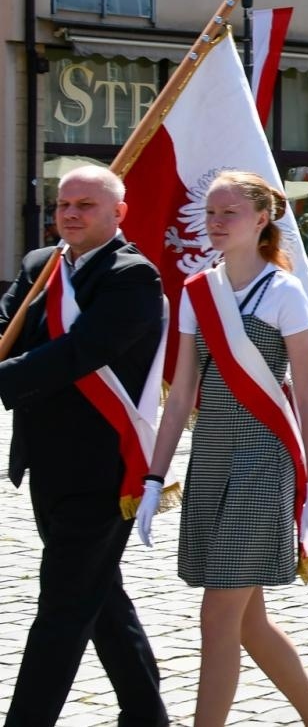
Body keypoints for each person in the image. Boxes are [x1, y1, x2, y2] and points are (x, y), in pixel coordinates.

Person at [138, 171, 308, 727]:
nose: (216, 223)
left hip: (263, 459)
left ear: (261, 220)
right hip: (211, 461)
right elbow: (179, 399)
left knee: (218, 615)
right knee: (248, 621)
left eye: (229, 213)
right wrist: (155, 479)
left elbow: (306, 398)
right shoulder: (196, 291)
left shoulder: (284, 292)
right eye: (210, 213)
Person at [0, 166, 169, 727]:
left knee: (64, 608)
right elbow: (7, 324)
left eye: (85, 205)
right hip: (47, 462)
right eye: (62, 203)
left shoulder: (133, 277)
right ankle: (146, 714)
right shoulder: (39, 265)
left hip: (104, 469)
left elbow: (79, 352)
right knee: (99, 594)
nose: (69, 213)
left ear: (118, 213)